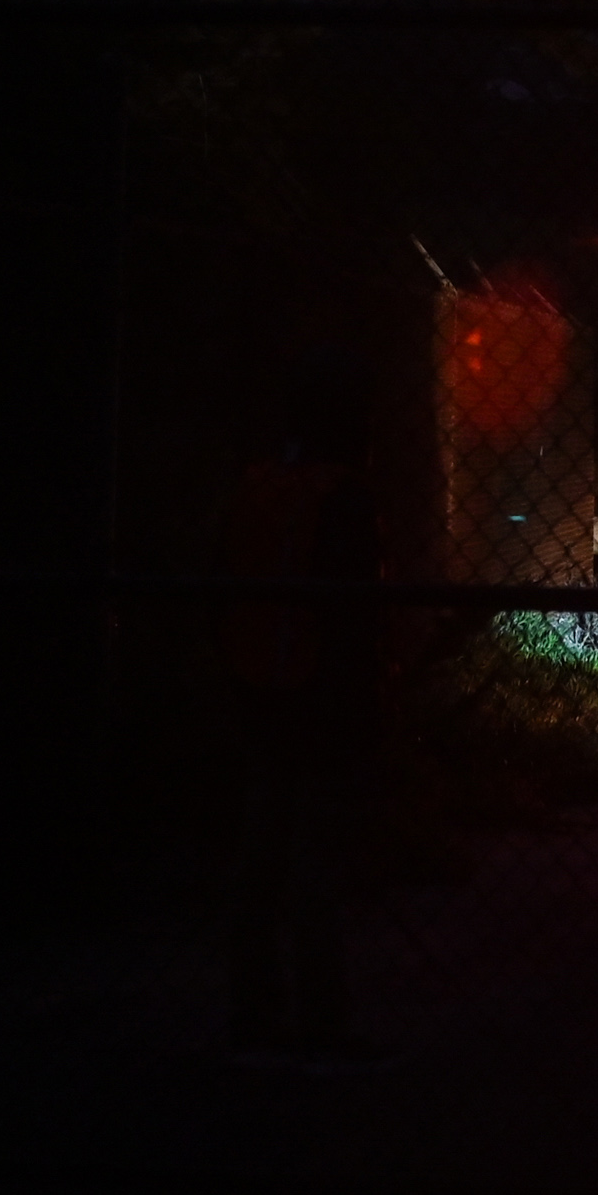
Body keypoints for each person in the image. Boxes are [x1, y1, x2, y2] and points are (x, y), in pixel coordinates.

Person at [221, 346, 385, 1063]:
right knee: (316, 865)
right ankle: (325, 1021)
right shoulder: (344, 495)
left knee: (259, 854)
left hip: (257, 691)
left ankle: (255, 1009)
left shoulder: (256, 486)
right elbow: (355, 616)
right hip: (323, 697)